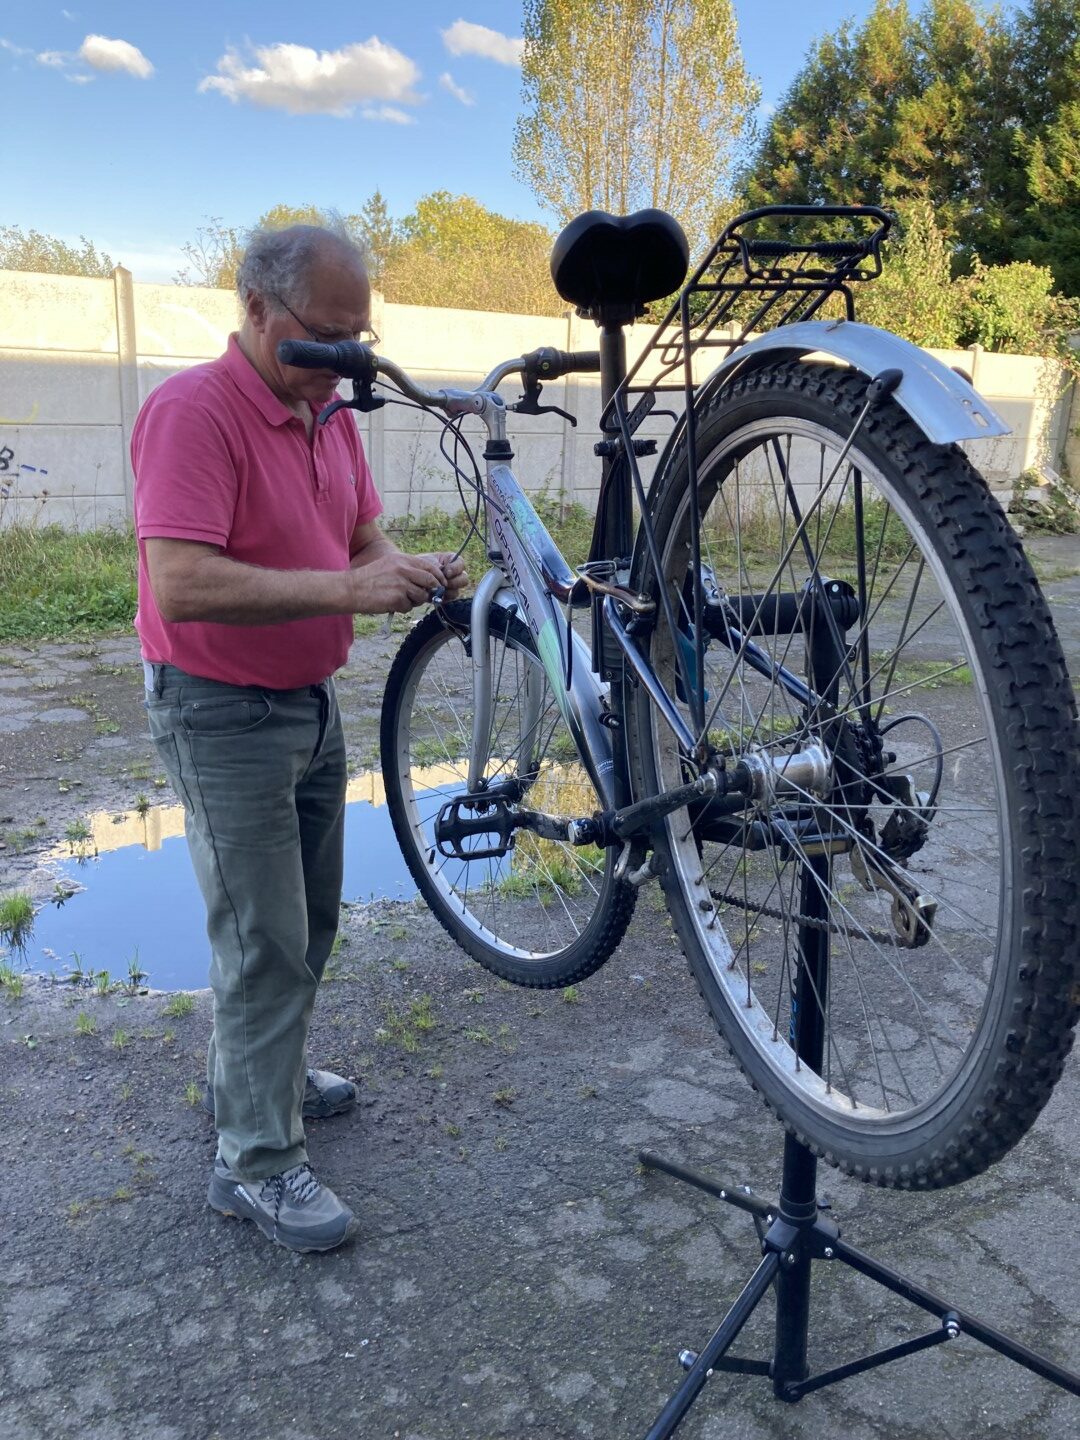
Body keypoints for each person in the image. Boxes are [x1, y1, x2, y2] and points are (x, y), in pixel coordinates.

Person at [132, 223, 465, 1253]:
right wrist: (344, 589)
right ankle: (256, 1166)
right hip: (220, 709)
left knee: (308, 923)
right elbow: (178, 585)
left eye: (356, 342)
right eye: (323, 341)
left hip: (309, 702)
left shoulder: (326, 413)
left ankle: (256, 1080)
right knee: (263, 941)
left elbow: (359, 537)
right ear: (257, 311)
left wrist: (400, 567)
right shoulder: (192, 413)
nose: (342, 368)